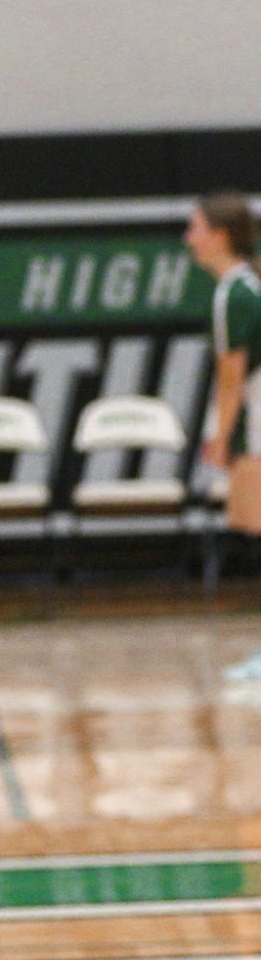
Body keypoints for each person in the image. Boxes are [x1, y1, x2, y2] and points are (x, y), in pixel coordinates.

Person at [186, 190, 261, 678]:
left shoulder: (233, 294)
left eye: (195, 228)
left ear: (220, 236)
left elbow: (231, 378)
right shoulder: (246, 287)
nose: (188, 238)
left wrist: (221, 438)